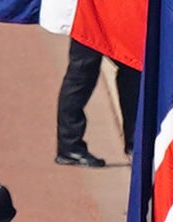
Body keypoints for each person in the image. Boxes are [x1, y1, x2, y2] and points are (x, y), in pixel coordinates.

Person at [54, 36, 139, 167]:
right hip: (91, 21)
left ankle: (135, 143)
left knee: (132, 69)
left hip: (112, 20)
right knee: (81, 75)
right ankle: (70, 147)